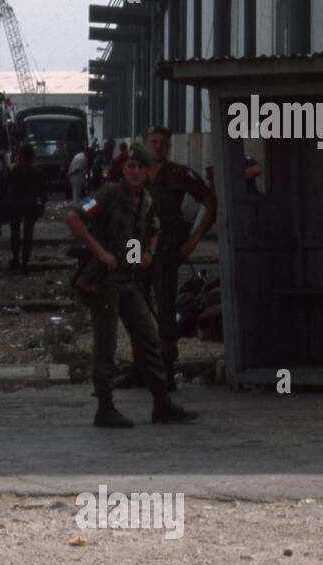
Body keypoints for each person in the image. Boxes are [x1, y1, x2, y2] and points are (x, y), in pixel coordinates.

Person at [65, 142, 198, 428]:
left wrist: (143, 255)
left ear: (150, 172)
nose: (136, 172)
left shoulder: (146, 200)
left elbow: (151, 229)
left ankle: (162, 404)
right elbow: (74, 216)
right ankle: (105, 407)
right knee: (107, 343)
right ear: (124, 169)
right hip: (103, 281)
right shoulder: (109, 194)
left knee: (148, 338)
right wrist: (100, 253)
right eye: (131, 167)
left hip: (128, 279)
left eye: (141, 168)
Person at [141, 124, 217, 389]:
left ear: (169, 144)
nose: (157, 146)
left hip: (165, 251)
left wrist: (192, 242)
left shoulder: (179, 174)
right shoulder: (133, 173)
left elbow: (210, 203)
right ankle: (142, 368)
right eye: (153, 141)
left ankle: (166, 368)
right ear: (145, 144)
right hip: (136, 249)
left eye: (162, 142)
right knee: (135, 307)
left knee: (165, 309)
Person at [6, 143, 46, 272]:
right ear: (32, 156)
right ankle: (25, 261)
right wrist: (42, 206)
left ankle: (15, 258)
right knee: (28, 234)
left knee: (15, 233)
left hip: (15, 205)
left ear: (20, 155)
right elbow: (42, 192)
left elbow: (8, 188)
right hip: (30, 205)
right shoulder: (38, 171)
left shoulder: (14, 170)